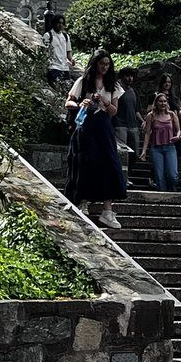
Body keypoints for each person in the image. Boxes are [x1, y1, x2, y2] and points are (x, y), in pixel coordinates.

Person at [64, 48, 126, 229]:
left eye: (107, 64)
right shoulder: (83, 81)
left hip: (103, 127)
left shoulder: (113, 85)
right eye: (101, 64)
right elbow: (68, 101)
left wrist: (105, 102)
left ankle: (107, 210)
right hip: (85, 126)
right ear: (95, 64)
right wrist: (80, 103)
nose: (104, 67)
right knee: (84, 161)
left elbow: (114, 111)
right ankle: (82, 202)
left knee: (108, 163)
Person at [141, 92, 181, 192]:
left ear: (167, 103)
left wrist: (177, 136)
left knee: (173, 175)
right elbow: (147, 133)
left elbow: (179, 129)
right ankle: (162, 196)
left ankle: (173, 192)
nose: (162, 103)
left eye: (164, 101)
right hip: (156, 148)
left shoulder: (172, 115)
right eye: (160, 101)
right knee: (159, 176)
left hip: (170, 147)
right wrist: (144, 151)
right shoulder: (151, 116)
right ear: (156, 103)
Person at [114, 66, 143, 183]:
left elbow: (136, 110)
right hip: (120, 124)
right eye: (127, 76)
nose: (130, 78)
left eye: (131, 76)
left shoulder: (133, 91)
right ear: (122, 76)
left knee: (135, 153)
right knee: (123, 153)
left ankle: (126, 175)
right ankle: (121, 178)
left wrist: (143, 121)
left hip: (133, 125)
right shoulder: (116, 89)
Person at [42, 14, 76, 87]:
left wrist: (71, 59)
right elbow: (45, 52)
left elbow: (68, 51)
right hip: (53, 67)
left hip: (64, 67)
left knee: (66, 89)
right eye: (58, 23)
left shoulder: (66, 36)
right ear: (54, 23)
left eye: (62, 23)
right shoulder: (48, 35)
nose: (60, 25)